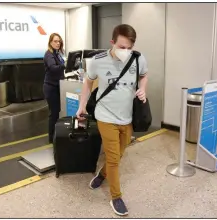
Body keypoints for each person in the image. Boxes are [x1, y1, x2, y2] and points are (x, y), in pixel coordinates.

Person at [76, 24, 148, 216]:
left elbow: (144, 75)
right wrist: (82, 105)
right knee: (114, 158)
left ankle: (102, 174)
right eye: (122, 47)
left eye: (129, 47)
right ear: (112, 43)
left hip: (128, 118)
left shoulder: (138, 58)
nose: (126, 51)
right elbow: (88, 82)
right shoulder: (97, 61)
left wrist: (143, 88)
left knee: (119, 154)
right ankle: (116, 197)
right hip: (105, 116)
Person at [43, 33, 65, 143]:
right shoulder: (49, 55)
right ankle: (51, 139)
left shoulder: (58, 54)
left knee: (57, 112)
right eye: (55, 41)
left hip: (57, 86)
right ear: (50, 42)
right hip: (51, 88)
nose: (57, 43)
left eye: (59, 41)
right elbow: (53, 68)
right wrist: (64, 65)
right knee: (54, 113)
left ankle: (56, 136)